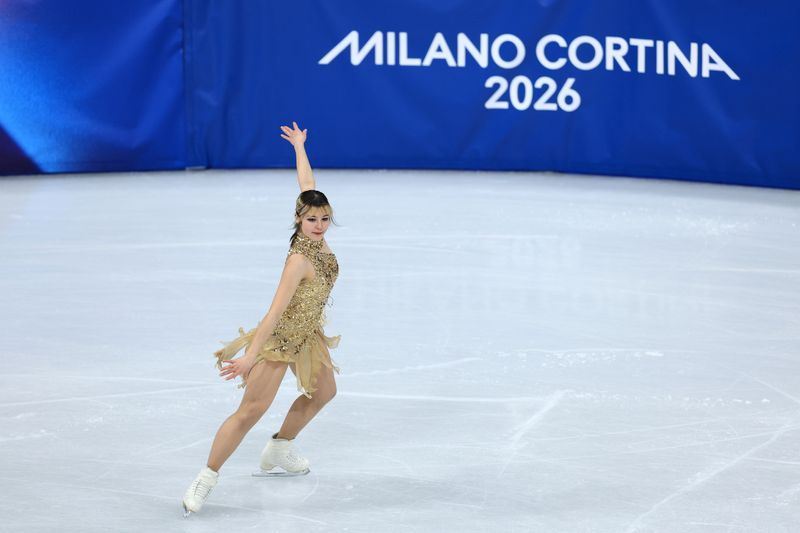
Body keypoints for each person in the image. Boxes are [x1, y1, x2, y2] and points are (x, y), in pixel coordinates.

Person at [182, 122, 341, 516]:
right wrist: (251, 357)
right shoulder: (299, 260)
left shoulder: (318, 241)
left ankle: (280, 446)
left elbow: (307, 181)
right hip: (279, 340)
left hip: (308, 334)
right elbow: (272, 313)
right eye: (312, 220)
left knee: (324, 392)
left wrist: (300, 147)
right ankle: (206, 478)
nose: (319, 226)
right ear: (298, 220)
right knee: (250, 411)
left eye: (324, 219)